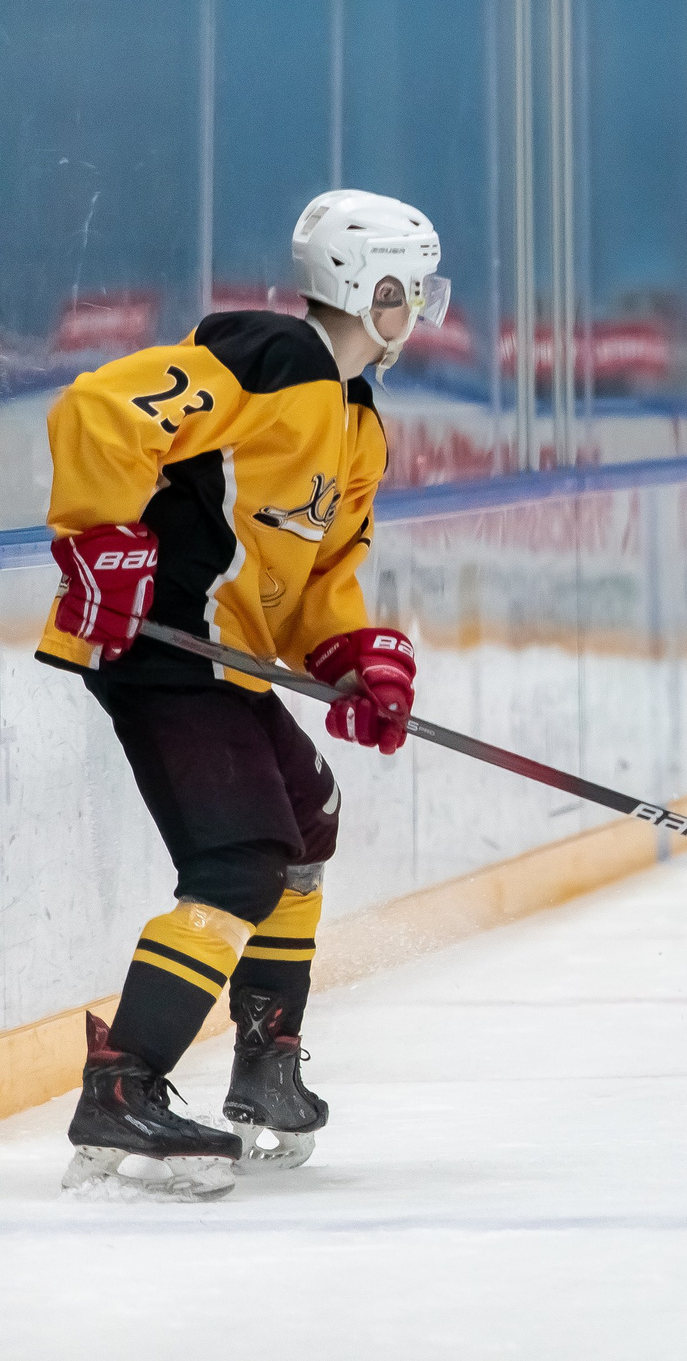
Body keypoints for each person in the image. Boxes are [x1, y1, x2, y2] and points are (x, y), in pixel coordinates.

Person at [44, 189, 445, 1199]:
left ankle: (266, 1068)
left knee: (307, 826)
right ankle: (123, 1084)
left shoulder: (356, 421)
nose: (423, 312)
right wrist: (101, 537)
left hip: (224, 661)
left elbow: (317, 583)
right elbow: (99, 408)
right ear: (373, 287)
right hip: (162, 649)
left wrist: (355, 655)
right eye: (413, 291)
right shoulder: (270, 358)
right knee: (239, 862)